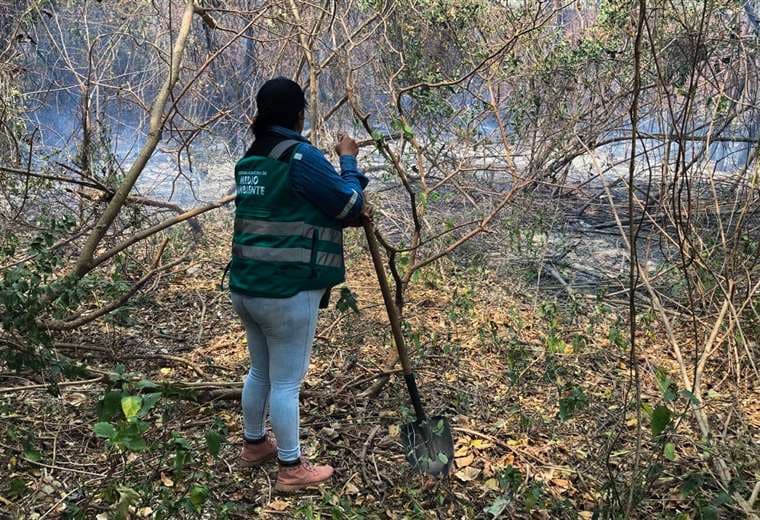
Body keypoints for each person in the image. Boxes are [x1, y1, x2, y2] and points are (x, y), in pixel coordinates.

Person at [228, 77, 368, 492]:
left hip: (246, 287)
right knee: (287, 381)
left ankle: (255, 444)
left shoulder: (249, 161)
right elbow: (348, 203)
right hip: (287, 292)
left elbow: (286, 204)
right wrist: (348, 160)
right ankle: (291, 468)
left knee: (260, 371)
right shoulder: (300, 157)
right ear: (298, 115)